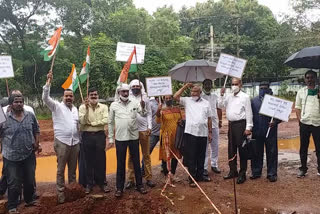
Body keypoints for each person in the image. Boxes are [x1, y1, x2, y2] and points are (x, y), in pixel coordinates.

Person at [42, 71, 80, 203]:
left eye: (70, 96)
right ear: (63, 97)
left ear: (73, 97)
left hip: (75, 143)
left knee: (73, 170)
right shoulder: (56, 107)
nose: (68, 98)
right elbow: (45, 98)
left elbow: (77, 125)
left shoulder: (75, 109)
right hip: (62, 143)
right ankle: (61, 194)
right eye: (66, 96)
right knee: (60, 170)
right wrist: (48, 83)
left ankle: (72, 191)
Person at [0, 94, 40, 213]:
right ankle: (12, 206)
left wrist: (37, 143)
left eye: (21, 102)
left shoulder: (30, 115)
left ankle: (29, 200)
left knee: (29, 180)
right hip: (11, 157)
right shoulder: (3, 118)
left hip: (28, 154)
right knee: (13, 182)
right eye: (16, 102)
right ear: (11, 104)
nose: (19, 104)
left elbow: (36, 130)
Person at [108, 84, 147, 197]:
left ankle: (139, 185)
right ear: (119, 92)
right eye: (123, 92)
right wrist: (111, 138)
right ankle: (119, 188)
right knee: (120, 163)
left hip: (133, 137)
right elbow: (110, 122)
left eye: (126, 91)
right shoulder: (114, 105)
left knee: (136, 162)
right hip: (120, 138)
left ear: (128, 92)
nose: (125, 93)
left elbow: (143, 114)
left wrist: (143, 107)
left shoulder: (135, 103)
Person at [174, 83, 213, 187]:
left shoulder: (206, 103)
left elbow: (209, 118)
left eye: (196, 91)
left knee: (201, 155)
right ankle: (192, 178)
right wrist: (185, 86)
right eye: (192, 91)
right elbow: (175, 96)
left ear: (200, 93)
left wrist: (210, 132)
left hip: (203, 133)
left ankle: (200, 176)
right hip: (190, 133)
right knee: (191, 156)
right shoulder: (187, 100)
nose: (193, 93)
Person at [219, 78, 253, 184]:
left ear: (240, 85)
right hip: (231, 125)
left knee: (242, 149)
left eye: (236, 84)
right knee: (231, 149)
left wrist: (248, 128)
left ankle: (242, 173)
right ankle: (233, 171)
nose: (234, 86)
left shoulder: (245, 97)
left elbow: (249, 113)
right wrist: (221, 94)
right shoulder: (229, 96)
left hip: (241, 125)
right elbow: (220, 105)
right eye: (232, 84)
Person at [79, 87, 110, 194]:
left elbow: (106, 120)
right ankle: (89, 184)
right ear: (88, 96)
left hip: (99, 136)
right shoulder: (82, 107)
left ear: (98, 96)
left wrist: (93, 124)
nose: (93, 96)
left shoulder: (104, 107)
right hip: (87, 136)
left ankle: (102, 183)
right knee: (88, 161)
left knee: (101, 160)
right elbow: (82, 122)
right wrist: (87, 109)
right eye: (91, 94)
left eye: (95, 94)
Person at [126, 80, 155, 189]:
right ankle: (130, 179)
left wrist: (149, 127)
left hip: (144, 129)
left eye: (137, 86)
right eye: (133, 86)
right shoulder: (128, 98)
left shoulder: (145, 98)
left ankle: (148, 178)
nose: (135, 88)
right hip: (132, 130)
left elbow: (149, 113)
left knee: (146, 155)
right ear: (130, 87)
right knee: (131, 156)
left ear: (141, 87)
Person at [250, 82, 279, 182]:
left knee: (272, 152)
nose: (262, 90)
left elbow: (282, 114)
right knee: (256, 152)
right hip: (257, 131)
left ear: (268, 89)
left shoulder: (275, 101)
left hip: (270, 131)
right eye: (261, 88)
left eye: (265, 88)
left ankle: (271, 173)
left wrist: (275, 121)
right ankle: (256, 172)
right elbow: (250, 116)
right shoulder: (253, 101)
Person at [295, 70, 320, 178]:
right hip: (304, 123)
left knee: (319, 147)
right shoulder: (301, 91)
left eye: (312, 77)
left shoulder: (319, 90)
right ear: (305, 79)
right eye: (308, 78)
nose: (310, 80)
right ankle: (303, 169)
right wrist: (300, 120)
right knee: (303, 147)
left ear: (316, 78)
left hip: (317, 123)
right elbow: (297, 107)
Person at [156, 95, 182, 177]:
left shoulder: (177, 109)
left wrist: (181, 123)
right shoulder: (162, 110)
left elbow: (181, 120)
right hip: (166, 136)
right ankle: (166, 174)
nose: (168, 100)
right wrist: (158, 110)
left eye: (170, 98)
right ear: (164, 100)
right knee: (165, 155)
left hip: (176, 136)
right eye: (166, 98)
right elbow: (158, 121)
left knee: (175, 154)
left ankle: (173, 174)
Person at [201, 79, 222, 175]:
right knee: (204, 147)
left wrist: (220, 120)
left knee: (215, 146)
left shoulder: (215, 96)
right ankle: (204, 167)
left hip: (215, 124)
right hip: (204, 125)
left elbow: (218, 109)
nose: (208, 86)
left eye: (209, 84)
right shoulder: (200, 97)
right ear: (203, 85)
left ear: (211, 85)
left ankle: (214, 165)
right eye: (206, 84)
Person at [141, 97, 161, 176]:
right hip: (153, 132)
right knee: (147, 152)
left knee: (165, 152)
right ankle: (143, 169)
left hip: (164, 133)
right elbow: (146, 116)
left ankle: (164, 168)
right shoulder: (151, 103)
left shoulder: (166, 102)